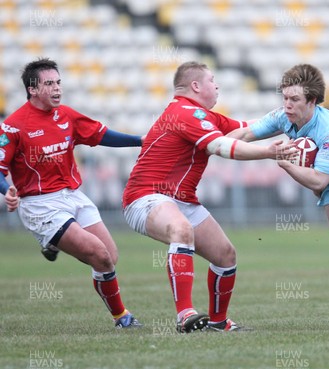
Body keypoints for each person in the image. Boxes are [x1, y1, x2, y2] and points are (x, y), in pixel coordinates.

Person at [122, 61, 296, 333]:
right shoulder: (183, 112)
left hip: (181, 199)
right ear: (195, 86)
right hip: (146, 196)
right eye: (212, 80)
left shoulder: (205, 117)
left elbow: (253, 128)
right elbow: (222, 147)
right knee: (181, 229)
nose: (217, 86)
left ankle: (218, 322)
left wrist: (295, 114)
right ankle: (184, 315)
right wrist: (269, 152)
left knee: (225, 255)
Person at [228, 64, 329, 320]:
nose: (287, 105)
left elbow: (318, 182)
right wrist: (212, 145)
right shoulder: (283, 117)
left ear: (312, 101)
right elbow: (246, 133)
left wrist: (284, 162)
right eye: (284, 98)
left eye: (294, 99)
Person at [0, 58, 143, 328]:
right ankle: (122, 317)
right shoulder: (13, 126)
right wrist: (7, 190)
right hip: (41, 205)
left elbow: (101, 135)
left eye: (59, 82)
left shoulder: (66, 115)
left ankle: (52, 243)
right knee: (99, 256)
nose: (57, 89)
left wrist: (139, 141)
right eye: (49, 83)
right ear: (32, 89)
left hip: (74, 196)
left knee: (110, 257)